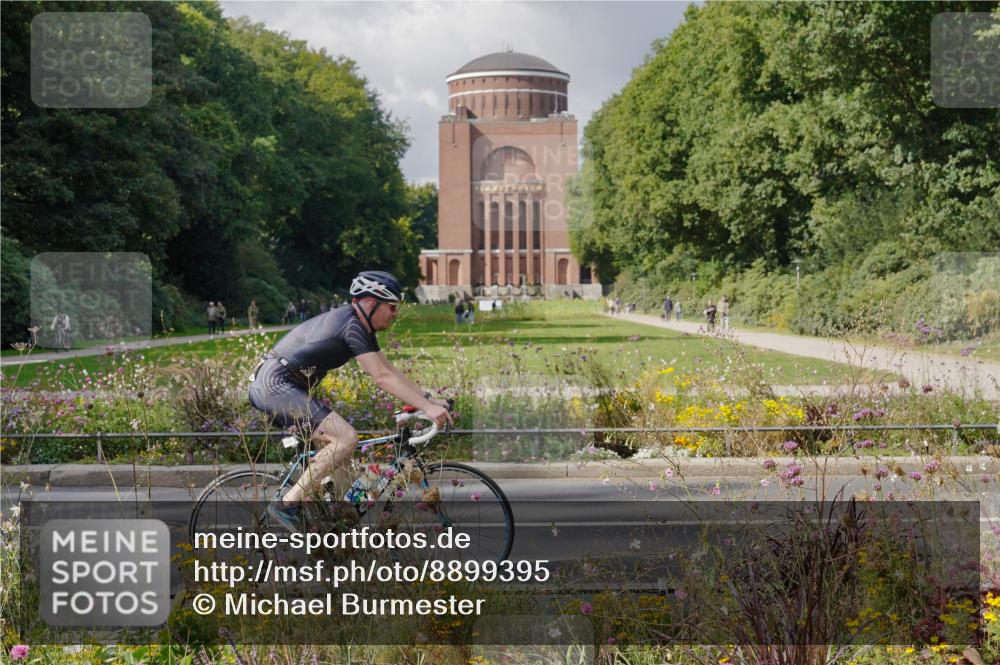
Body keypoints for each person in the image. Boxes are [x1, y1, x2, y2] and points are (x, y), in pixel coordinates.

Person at [251, 270, 452, 532]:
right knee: (346, 438)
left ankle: (335, 528)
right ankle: (286, 504)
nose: (395, 313)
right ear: (370, 303)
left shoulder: (358, 326)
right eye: (391, 307)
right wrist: (428, 408)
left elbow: (389, 371)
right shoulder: (351, 326)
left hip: (287, 387)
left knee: (343, 459)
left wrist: (427, 399)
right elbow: (381, 378)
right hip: (275, 386)